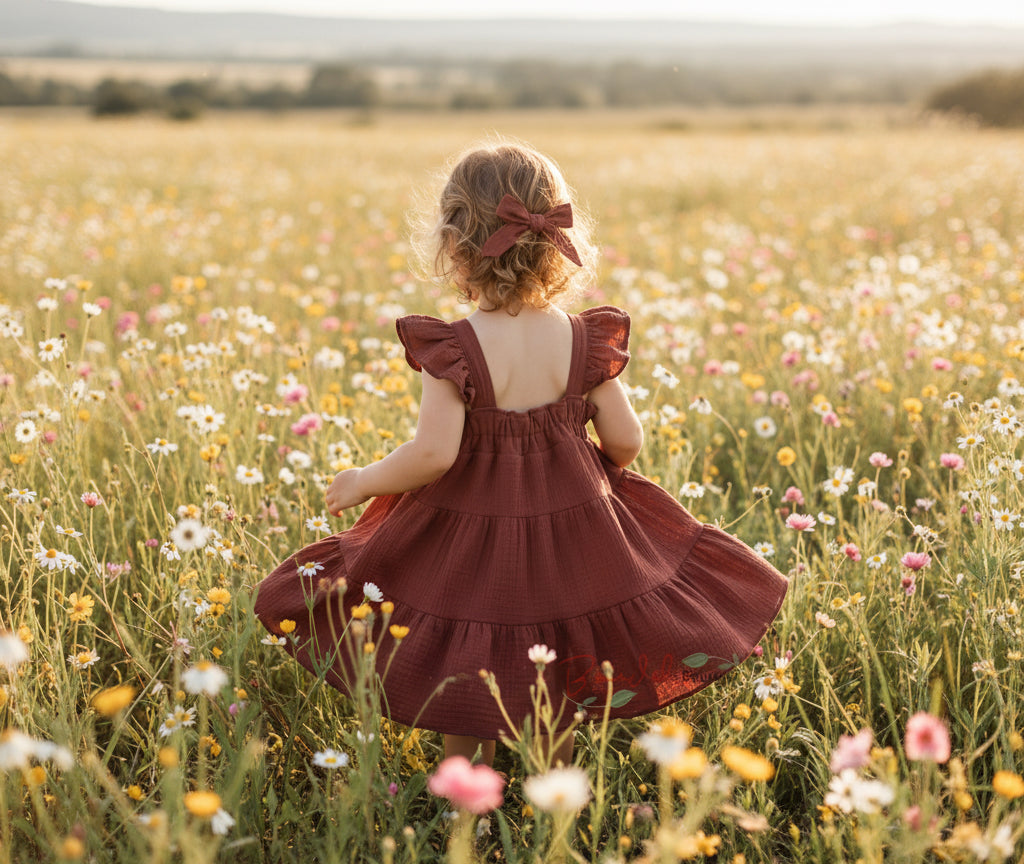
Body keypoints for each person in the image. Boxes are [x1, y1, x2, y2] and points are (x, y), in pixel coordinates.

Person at [253, 139, 789, 769]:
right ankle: (552, 790)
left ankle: (465, 800)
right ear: (554, 239)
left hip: (470, 536)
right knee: (554, 653)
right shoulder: (584, 340)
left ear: (454, 245)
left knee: (465, 649)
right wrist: (594, 465)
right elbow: (626, 441)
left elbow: (432, 455)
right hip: (572, 528)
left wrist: (364, 479)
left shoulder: (454, 347)